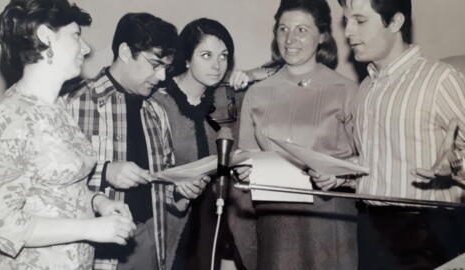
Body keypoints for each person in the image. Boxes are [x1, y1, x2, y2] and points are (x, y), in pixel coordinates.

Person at [0, 0, 136, 269]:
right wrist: (89, 229)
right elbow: (0, 224)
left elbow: (59, 187)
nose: (86, 47)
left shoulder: (58, 106)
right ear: (45, 36)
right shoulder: (12, 117)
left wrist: (96, 200)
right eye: (76, 34)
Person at [66, 12, 209, 270]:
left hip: (148, 241)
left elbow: (163, 184)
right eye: (155, 64)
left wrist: (180, 188)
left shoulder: (156, 111)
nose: (162, 76)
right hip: (90, 247)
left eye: (167, 67)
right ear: (124, 51)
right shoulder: (74, 103)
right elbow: (48, 183)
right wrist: (105, 171)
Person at [331, 0, 465, 268]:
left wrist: (458, 168)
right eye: (346, 21)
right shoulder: (366, 88)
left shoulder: (440, 79)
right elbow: (375, 165)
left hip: (428, 235)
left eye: (360, 20)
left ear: (395, 22)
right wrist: (337, 174)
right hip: (370, 229)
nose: (347, 32)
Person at [234, 0, 359, 269]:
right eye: (283, 29)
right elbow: (245, 153)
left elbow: (366, 160)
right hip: (275, 219)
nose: (290, 39)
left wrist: (340, 176)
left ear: (322, 35)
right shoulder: (256, 93)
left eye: (302, 29)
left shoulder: (346, 91)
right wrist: (243, 167)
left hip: (330, 218)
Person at [152, 18, 250, 270]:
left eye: (223, 56)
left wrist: (249, 75)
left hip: (215, 217)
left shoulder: (227, 98)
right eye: (206, 55)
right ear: (186, 58)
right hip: (169, 219)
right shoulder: (158, 102)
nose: (217, 66)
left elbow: (280, 68)